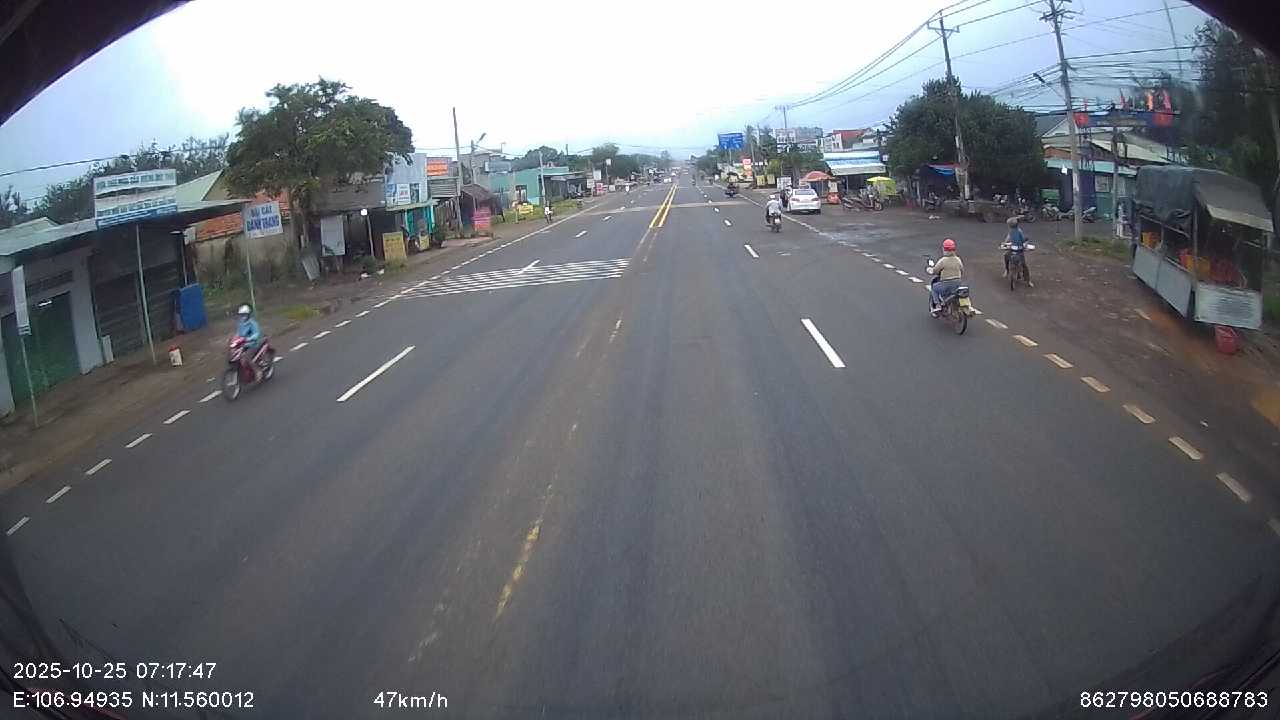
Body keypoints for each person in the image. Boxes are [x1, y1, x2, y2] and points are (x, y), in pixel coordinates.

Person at [929, 238, 964, 315]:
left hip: (946, 284)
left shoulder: (943, 260)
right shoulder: (958, 259)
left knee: (934, 288)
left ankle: (938, 305)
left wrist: (930, 270)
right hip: (957, 283)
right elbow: (962, 270)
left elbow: (935, 271)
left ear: (944, 249)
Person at [236, 304, 264, 380]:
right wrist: (235, 339)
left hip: (253, 344)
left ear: (248, 314)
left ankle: (258, 371)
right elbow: (238, 333)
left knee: (247, 357)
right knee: (236, 356)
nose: (243, 316)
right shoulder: (240, 324)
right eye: (241, 315)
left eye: (245, 314)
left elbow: (256, 334)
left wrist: (249, 339)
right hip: (243, 344)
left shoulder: (253, 323)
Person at [1002, 216, 1032, 286]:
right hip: (1012, 248)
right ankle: (1007, 270)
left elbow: (1023, 240)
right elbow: (1008, 239)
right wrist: (1005, 243)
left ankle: (1028, 280)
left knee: (1024, 265)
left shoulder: (1019, 231)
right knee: (1006, 255)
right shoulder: (1011, 231)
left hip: (1019, 250)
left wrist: (1025, 244)